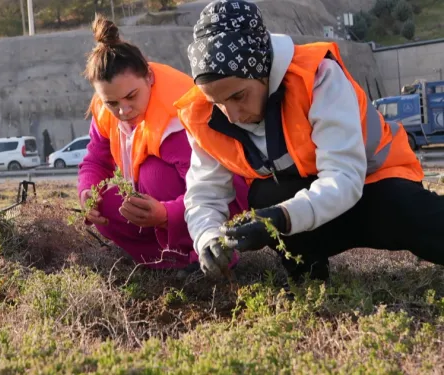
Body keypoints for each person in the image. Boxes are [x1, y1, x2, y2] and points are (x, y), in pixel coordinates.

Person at [175, 0, 444, 281]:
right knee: (265, 196)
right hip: (311, 205)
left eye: (238, 96)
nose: (230, 115)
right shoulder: (201, 113)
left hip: (375, 184)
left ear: (263, 68)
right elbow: (205, 194)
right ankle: (309, 277)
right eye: (217, 102)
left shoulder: (319, 77)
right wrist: (206, 238)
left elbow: (344, 176)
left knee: (409, 211)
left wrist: (280, 218)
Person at [78, 14, 250, 269]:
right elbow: (94, 159)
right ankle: (163, 259)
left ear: (149, 77)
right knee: (104, 201)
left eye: (131, 97)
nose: (123, 111)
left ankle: (204, 253)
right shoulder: (105, 111)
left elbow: (217, 189)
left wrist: (166, 214)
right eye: (112, 103)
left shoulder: (179, 118)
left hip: (228, 199)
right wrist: (87, 191)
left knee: (153, 174)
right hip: (160, 207)